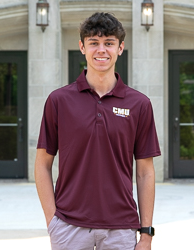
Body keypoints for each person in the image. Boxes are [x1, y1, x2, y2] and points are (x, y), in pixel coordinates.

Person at [35, 12, 161, 250]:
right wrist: (53, 221)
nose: (101, 50)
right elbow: (42, 163)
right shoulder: (58, 100)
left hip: (121, 229)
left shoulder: (139, 104)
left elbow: (145, 172)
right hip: (68, 226)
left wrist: (146, 234)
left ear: (120, 48)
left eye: (109, 43)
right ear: (82, 47)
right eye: (94, 43)